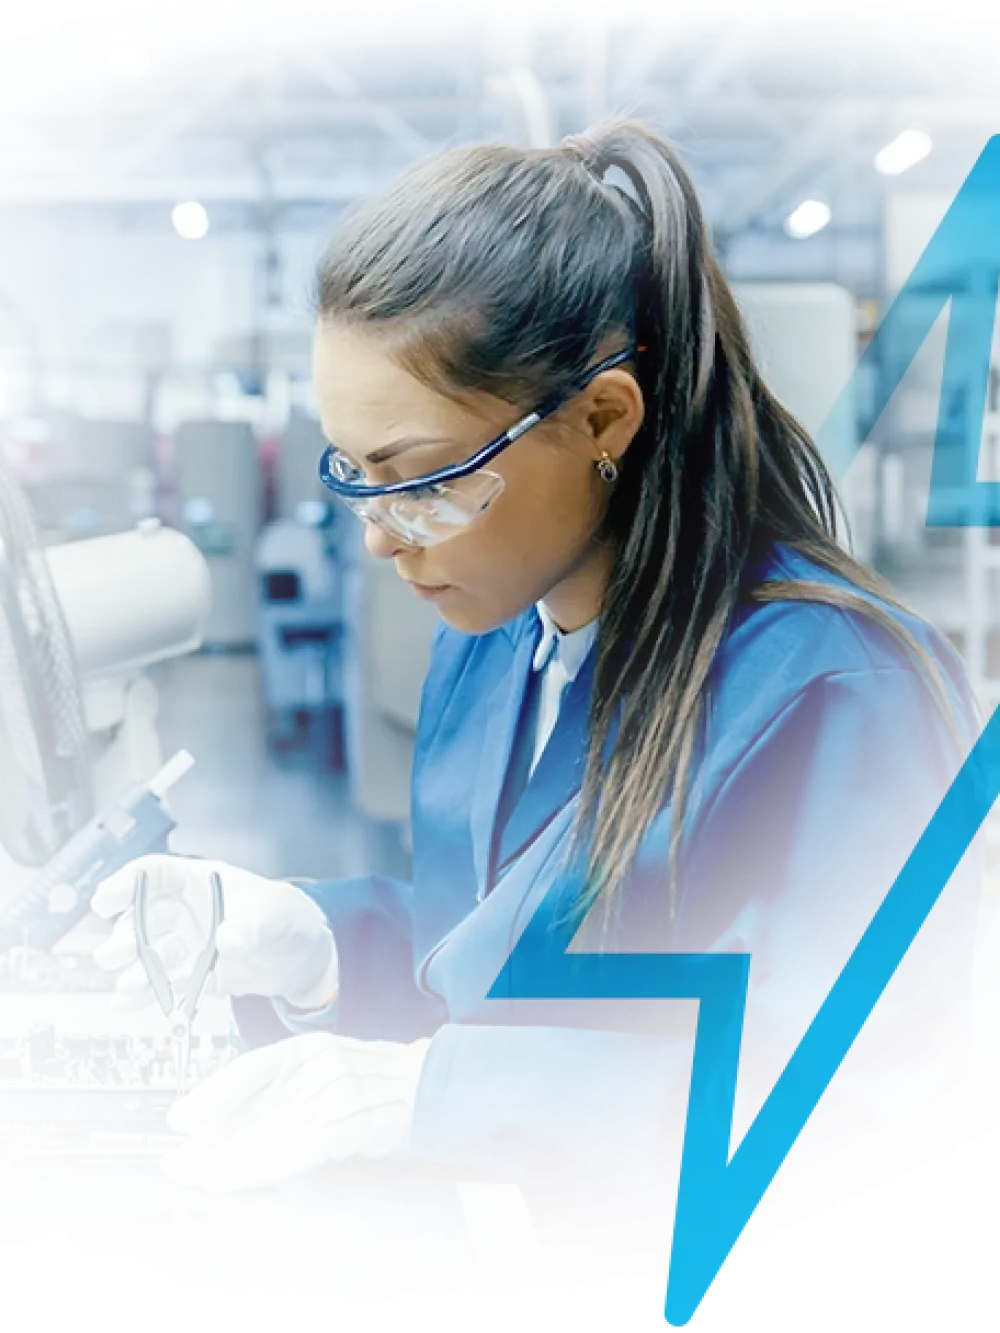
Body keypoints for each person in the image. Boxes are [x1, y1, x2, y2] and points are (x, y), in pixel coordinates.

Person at [91, 117, 986, 1294]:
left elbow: (840, 1145)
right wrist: (318, 946)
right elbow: (519, 958)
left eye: (421, 474)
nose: (376, 532)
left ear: (603, 419)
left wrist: (432, 1091)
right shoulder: (501, 639)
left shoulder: (834, 695)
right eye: (354, 468)